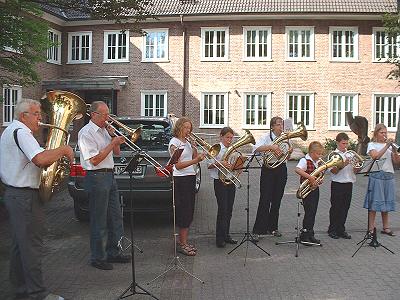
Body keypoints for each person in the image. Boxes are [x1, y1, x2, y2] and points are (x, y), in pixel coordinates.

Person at [0, 98, 74, 300]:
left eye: (40, 114)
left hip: (16, 195)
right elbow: (40, 159)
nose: (40, 118)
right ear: (24, 116)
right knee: (32, 246)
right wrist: (64, 150)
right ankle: (37, 293)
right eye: (36, 114)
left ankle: (21, 289)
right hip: (24, 197)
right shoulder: (22, 133)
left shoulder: (12, 130)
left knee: (19, 245)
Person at [78, 101, 130, 270]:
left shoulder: (104, 131)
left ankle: (114, 252)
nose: (108, 118)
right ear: (93, 115)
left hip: (110, 175)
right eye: (105, 115)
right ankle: (97, 257)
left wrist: (114, 137)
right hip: (96, 176)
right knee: (99, 219)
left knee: (115, 216)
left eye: (109, 114)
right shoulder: (86, 133)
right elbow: (94, 160)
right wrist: (112, 143)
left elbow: (117, 153)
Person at [169, 117, 205, 256]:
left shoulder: (187, 142)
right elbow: (177, 165)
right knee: (184, 211)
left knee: (189, 210)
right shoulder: (175, 143)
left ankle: (183, 241)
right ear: (178, 128)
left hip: (190, 177)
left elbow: (194, 158)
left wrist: (195, 148)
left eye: (189, 128)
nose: (188, 130)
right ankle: (182, 244)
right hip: (181, 179)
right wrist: (195, 160)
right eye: (185, 127)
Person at [252, 116, 291, 239]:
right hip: (268, 170)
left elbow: (286, 158)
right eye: (279, 124)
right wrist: (271, 147)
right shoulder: (265, 137)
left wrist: (289, 152)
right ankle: (259, 229)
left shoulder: (285, 138)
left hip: (281, 169)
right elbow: (255, 149)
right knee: (265, 199)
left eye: (282, 124)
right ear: (272, 126)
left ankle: (273, 227)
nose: (281, 127)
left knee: (277, 200)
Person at [363, 123, 400, 246]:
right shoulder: (371, 145)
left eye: (385, 133)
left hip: (389, 176)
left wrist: (394, 150)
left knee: (386, 202)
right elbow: (376, 157)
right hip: (377, 176)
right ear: (376, 133)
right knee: (374, 204)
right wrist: (387, 146)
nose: (384, 135)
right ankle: (370, 228)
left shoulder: (390, 147)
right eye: (382, 133)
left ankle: (386, 227)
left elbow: (396, 162)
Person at [208, 127, 238, 248]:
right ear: (221, 136)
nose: (229, 140)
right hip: (219, 182)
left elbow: (235, 165)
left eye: (231, 138)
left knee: (229, 210)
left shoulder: (233, 149)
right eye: (227, 137)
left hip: (230, 181)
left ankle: (226, 235)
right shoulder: (216, 149)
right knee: (223, 210)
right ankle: (219, 238)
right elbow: (208, 165)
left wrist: (237, 165)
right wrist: (220, 163)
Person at [327, 133, 360, 240]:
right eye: (343, 143)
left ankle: (341, 229)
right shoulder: (333, 155)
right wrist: (344, 164)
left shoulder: (350, 154)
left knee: (345, 208)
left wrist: (357, 166)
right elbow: (333, 171)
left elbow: (356, 171)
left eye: (346, 143)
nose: (345, 146)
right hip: (337, 184)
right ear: (337, 143)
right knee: (336, 208)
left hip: (349, 184)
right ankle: (332, 229)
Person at [295, 141, 325, 245]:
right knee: (309, 213)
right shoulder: (305, 160)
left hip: (314, 190)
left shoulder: (317, 162)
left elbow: (320, 175)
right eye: (318, 154)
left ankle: (310, 234)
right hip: (306, 191)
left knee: (313, 213)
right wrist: (310, 177)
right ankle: (304, 235)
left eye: (321, 154)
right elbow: (298, 170)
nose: (320, 156)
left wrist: (319, 180)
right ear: (312, 152)